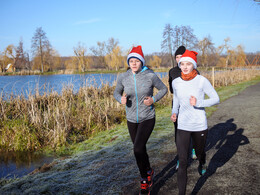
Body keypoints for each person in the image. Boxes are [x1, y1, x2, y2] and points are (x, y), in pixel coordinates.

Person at [114, 45, 168, 195]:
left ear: (141, 62)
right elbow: (116, 92)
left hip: (147, 117)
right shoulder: (123, 77)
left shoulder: (150, 75)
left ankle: (144, 180)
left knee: (137, 148)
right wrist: (121, 99)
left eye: (136, 61)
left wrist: (154, 99)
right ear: (128, 62)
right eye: (131, 61)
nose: (133, 63)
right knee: (140, 149)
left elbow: (164, 89)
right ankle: (149, 170)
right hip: (131, 119)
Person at [170, 50, 219, 195]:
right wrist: (175, 112)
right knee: (183, 160)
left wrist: (199, 102)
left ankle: (202, 161)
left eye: (188, 64)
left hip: (199, 125)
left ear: (194, 65)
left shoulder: (201, 80)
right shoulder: (175, 82)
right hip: (183, 125)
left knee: (199, 152)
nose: (185, 67)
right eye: (182, 64)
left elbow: (216, 98)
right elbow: (177, 100)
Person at [168, 46, 197, 171]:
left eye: (181, 57)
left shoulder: (194, 71)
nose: (179, 59)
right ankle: (180, 157)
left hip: (190, 105)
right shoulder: (172, 71)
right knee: (178, 132)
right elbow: (171, 88)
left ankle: (194, 147)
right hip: (177, 104)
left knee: (191, 129)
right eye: (177, 57)